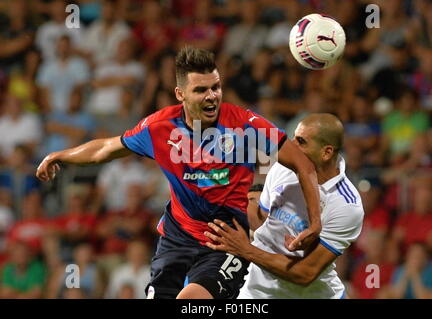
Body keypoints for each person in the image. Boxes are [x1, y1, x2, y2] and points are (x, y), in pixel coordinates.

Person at [36, 47, 321, 299]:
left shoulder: (246, 126)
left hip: (224, 240)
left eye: (216, 87)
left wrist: (315, 222)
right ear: (180, 94)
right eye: (201, 90)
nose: (212, 97)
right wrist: (59, 155)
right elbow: (106, 149)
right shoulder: (159, 127)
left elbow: (304, 164)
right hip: (176, 237)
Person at [205, 113, 364, 298]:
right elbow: (262, 221)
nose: (292, 146)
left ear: (327, 152)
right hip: (259, 292)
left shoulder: (345, 205)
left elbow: (306, 273)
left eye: (301, 141)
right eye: (293, 138)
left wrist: (246, 250)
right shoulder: (282, 169)